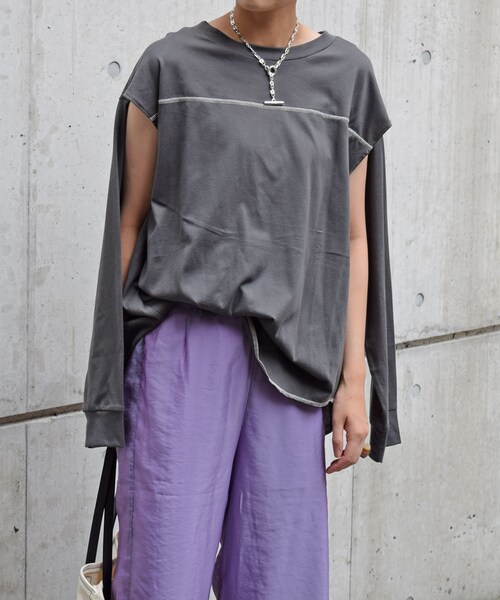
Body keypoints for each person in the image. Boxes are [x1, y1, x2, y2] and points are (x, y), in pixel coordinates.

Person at [82, 1, 402, 598]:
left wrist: (354, 381)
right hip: (182, 353)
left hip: (296, 361)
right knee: (163, 573)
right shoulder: (168, 66)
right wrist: (111, 374)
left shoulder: (346, 76)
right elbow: (128, 224)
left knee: (278, 577)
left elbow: (354, 237)